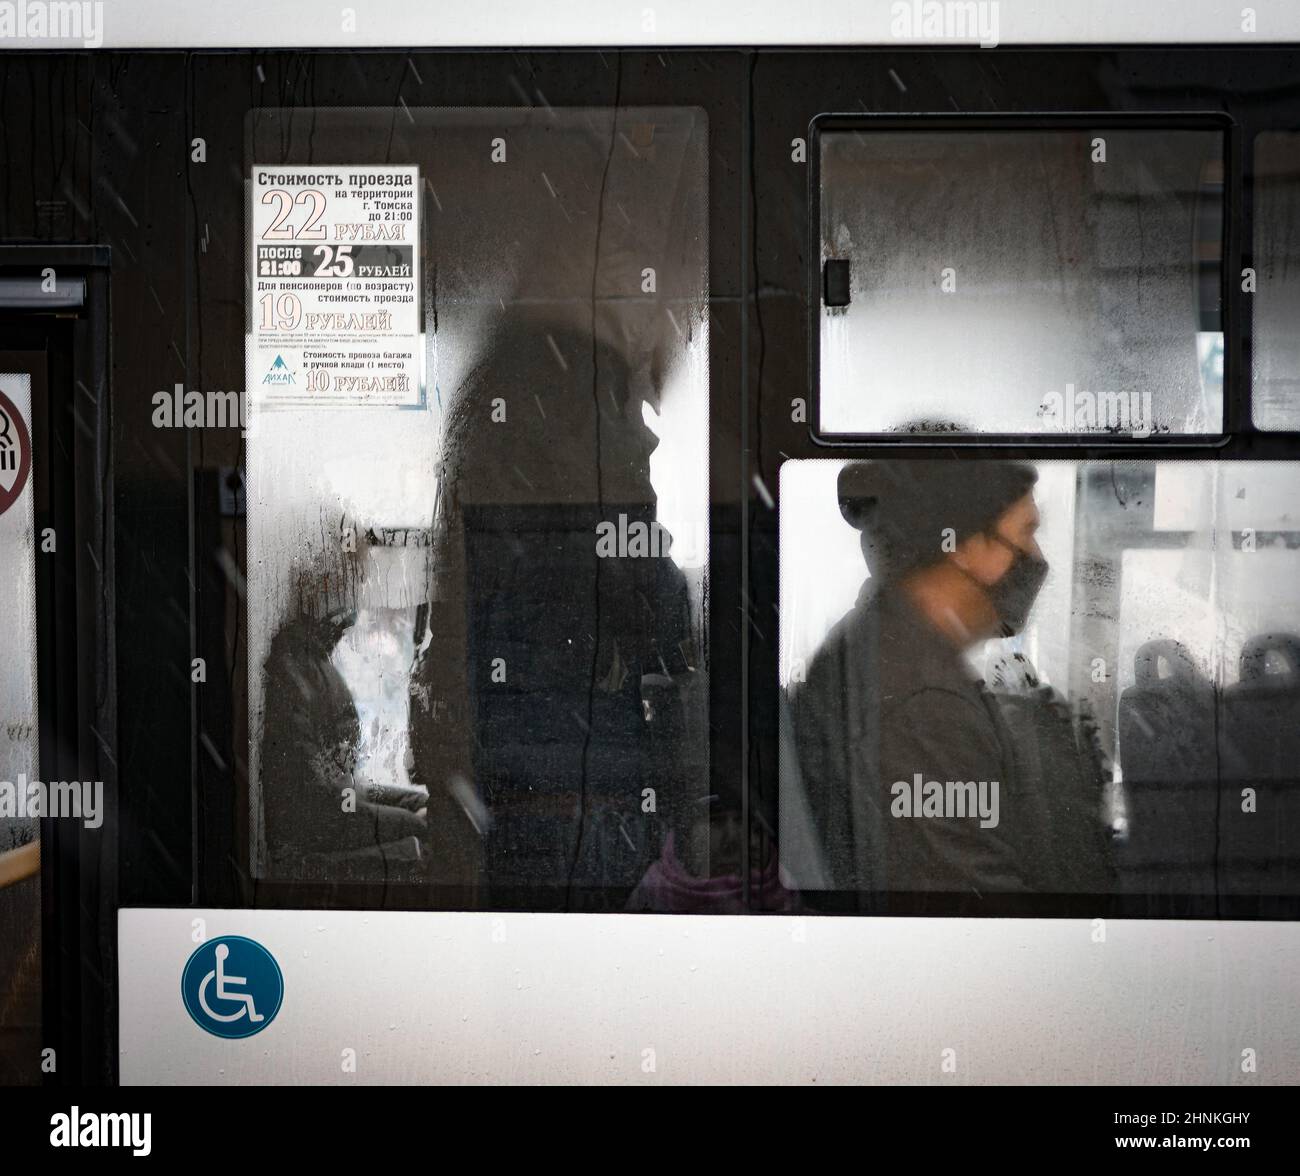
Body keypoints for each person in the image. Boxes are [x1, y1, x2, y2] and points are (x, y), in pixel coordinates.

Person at [788, 459, 1112, 898]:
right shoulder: (925, 702)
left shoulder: (883, 646)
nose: (1037, 559)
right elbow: (972, 910)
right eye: (1026, 533)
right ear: (964, 547)